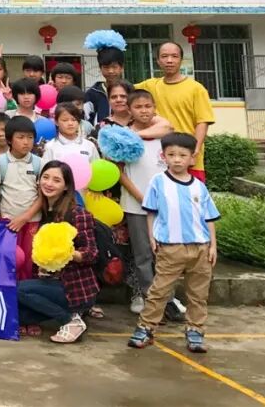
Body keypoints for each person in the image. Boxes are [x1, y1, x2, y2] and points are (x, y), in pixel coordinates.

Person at [128, 133, 219, 353]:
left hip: (200, 248)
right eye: (171, 154)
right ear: (164, 156)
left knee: (198, 294)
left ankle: (195, 330)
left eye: (182, 155)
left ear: (192, 158)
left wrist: (213, 245)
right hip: (170, 248)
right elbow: (151, 213)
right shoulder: (158, 182)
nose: (177, 159)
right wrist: (152, 237)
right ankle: (146, 327)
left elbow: (208, 218)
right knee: (159, 291)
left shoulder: (199, 186)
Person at [16, 161, 99, 342]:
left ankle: (70, 320)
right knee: (17, 315)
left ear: (66, 186)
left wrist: (66, 252)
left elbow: (92, 253)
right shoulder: (45, 214)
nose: (49, 183)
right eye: (45, 178)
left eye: (56, 180)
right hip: (49, 285)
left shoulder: (78, 213)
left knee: (18, 290)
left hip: (73, 288)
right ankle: (69, 314)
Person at [120, 90, 173, 315]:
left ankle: (168, 299)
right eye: (138, 107)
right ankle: (150, 299)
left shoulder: (164, 135)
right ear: (129, 110)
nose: (144, 111)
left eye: (148, 106)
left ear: (154, 108)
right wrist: (142, 198)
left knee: (166, 254)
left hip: (165, 205)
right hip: (136, 205)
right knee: (142, 254)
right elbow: (119, 173)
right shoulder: (123, 138)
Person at [135, 42, 215, 182]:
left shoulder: (196, 89)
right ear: (158, 61)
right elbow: (121, 90)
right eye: (164, 56)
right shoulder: (150, 85)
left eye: (174, 56)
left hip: (187, 159)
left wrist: (194, 151)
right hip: (160, 159)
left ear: (181, 60)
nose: (169, 60)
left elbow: (202, 122)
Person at [0, 116, 43, 280]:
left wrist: (25, 217)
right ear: (10, 139)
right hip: (8, 221)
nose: (26, 142)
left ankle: (26, 291)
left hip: (32, 221)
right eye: (21, 137)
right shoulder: (0, 163)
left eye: (30, 137)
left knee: (29, 260)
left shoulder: (39, 163)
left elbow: (42, 196)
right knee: (10, 259)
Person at [85, 40, 127, 126]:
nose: (110, 71)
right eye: (106, 67)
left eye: (114, 67)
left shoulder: (130, 91)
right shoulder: (92, 93)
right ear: (100, 68)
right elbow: (86, 119)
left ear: (122, 68)